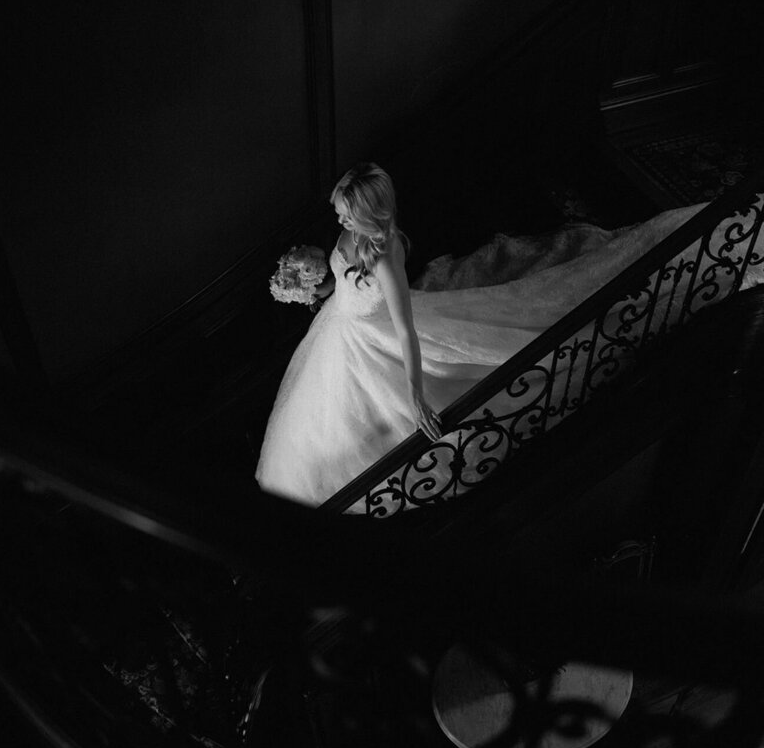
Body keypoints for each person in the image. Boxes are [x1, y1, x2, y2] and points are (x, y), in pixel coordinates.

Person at [255, 163, 762, 508]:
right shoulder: (349, 237)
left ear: (369, 214)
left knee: (418, 394)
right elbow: (343, 284)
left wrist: (414, 396)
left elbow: (407, 331)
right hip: (340, 334)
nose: (339, 221)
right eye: (339, 213)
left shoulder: (388, 255)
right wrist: (313, 284)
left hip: (382, 340)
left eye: (346, 213)